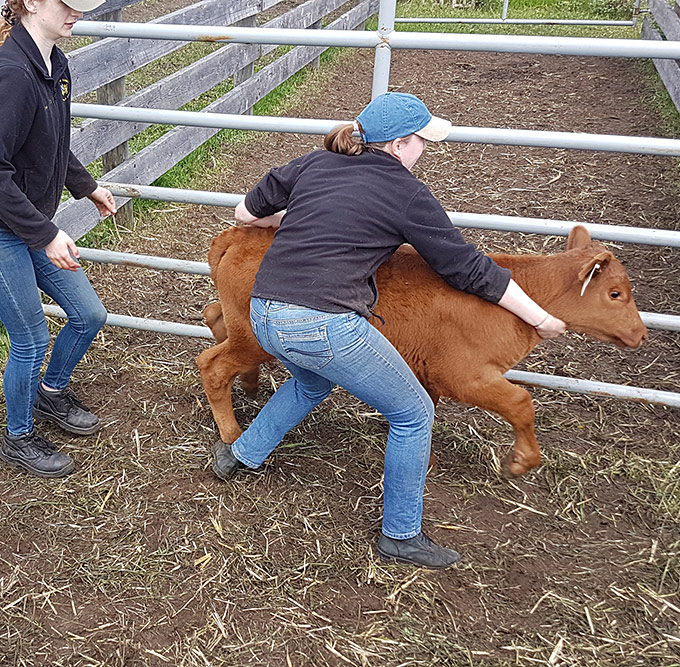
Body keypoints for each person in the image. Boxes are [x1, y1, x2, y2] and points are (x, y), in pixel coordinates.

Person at [209, 92, 567, 568]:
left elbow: (245, 214)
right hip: (320, 321)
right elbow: (468, 269)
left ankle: (240, 455)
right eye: (422, 141)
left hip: (264, 312)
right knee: (414, 413)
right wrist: (540, 318)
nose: (425, 149)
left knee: (311, 383)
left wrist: (311, 218)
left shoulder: (315, 163)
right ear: (399, 145)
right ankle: (401, 535)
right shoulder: (407, 193)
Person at [0, 0, 118, 478]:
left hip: (28, 223)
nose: (76, 12)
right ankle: (19, 437)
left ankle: (49, 393)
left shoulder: (54, 64)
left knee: (89, 315)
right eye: (65, 3)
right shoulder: (13, 75)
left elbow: (52, 143)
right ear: (30, 3)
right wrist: (46, 234)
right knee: (29, 338)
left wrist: (86, 186)